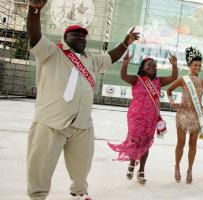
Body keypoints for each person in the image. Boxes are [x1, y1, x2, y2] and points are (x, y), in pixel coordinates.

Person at [26, 1, 139, 199]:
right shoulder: (52, 52)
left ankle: (79, 193)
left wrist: (125, 43)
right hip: (51, 121)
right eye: (75, 34)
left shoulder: (91, 60)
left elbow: (110, 57)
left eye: (83, 35)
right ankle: (37, 197)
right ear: (66, 37)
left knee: (82, 166)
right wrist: (34, 10)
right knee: (40, 167)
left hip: (82, 125)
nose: (80, 38)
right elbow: (35, 37)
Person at [108, 52, 178, 184]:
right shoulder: (136, 79)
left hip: (151, 118)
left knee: (146, 144)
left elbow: (174, 76)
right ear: (143, 67)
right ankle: (132, 162)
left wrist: (174, 64)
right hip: (136, 117)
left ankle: (141, 170)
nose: (152, 67)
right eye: (149, 65)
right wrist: (125, 63)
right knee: (135, 141)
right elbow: (123, 76)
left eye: (155, 66)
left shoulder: (159, 81)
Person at [166, 47, 203, 184]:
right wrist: (172, 102)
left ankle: (190, 170)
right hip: (182, 115)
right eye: (195, 65)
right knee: (181, 143)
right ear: (189, 65)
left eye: (199, 65)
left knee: (193, 144)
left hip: (196, 116)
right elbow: (168, 90)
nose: (197, 67)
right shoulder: (183, 79)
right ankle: (177, 167)